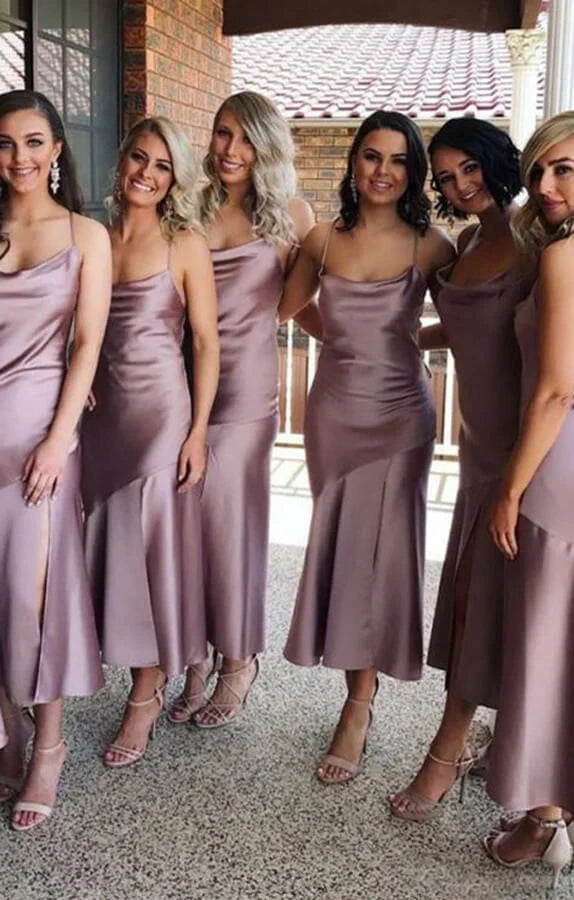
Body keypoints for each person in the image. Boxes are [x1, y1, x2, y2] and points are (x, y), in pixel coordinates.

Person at [280, 110, 454, 783]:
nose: (384, 171)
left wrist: (408, 339)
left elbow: (473, 320)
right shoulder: (322, 239)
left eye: (399, 160)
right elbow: (288, 307)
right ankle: (357, 686)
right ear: (354, 163)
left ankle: (359, 703)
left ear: (413, 171)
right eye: (372, 156)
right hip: (334, 415)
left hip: (402, 417)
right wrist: (346, 339)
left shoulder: (433, 245)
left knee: (384, 558)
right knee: (346, 551)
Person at [389, 118, 530, 819]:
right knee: (493, 602)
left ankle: (447, 751)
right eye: (445, 178)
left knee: (489, 601)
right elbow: (475, 322)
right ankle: (509, 744)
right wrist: (399, 334)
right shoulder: (471, 240)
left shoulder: (537, 237)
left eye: (469, 168)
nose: (460, 185)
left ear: (497, 160)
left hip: (523, 451)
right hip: (476, 447)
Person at [168, 91, 314, 728]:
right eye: (224, 133)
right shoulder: (189, 206)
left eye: (247, 139)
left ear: (267, 147)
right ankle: (194, 658)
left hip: (247, 392)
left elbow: (298, 303)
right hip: (179, 381)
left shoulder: (292, 214)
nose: (231, 149)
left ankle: (238, 659)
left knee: (232, 529)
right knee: (186, 528)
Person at [486, 109, 574, 888]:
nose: (544, 183)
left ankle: (544, 821)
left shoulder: (568, 258)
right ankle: (564, 809)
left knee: (550, 646)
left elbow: (557, 390)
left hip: (559, 473)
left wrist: (509, 488)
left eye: (563, 168)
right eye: (537, 170)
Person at [82, 117, 219, 766]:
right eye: (139, 157)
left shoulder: (184, 243)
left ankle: (146, 691)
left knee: (151, 554)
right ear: (122, 161)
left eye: (162, 165)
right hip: (99, 419)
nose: (146, 173)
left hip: (160, 416)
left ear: (175, 179)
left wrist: (198, 431)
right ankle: (135, 663)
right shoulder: (93, 234)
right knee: (111, 547)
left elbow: (207, 343)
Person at [0, 89, 110, 829]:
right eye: (6, 144)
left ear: (57, 150)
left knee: (30, 598)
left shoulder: (85, 235)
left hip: (38, 436)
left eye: (34, 142)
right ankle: (6, 738)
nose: (21, 158)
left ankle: (49, 745)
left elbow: (88, 345)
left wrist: (59, 438)